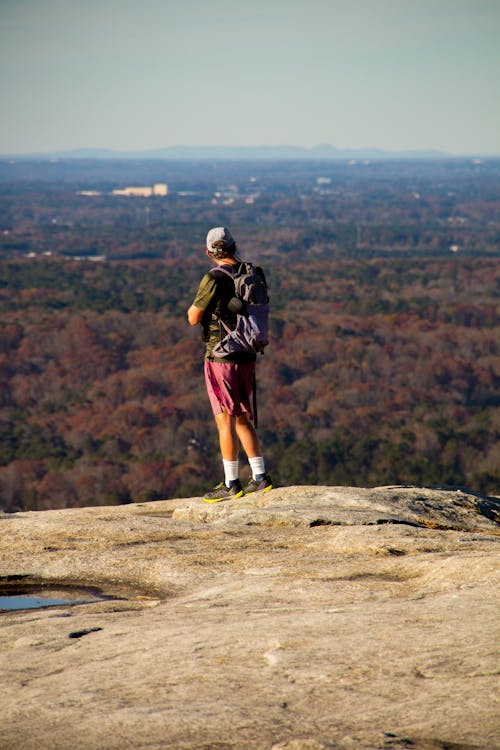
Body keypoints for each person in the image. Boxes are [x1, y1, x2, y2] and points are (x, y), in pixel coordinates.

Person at [187, 226, 272, 503]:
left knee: (225, 419)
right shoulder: (252, 273)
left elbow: (193, 317)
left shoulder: (213, 278)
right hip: (246, 353)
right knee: (241, 416)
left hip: (221, 356)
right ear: (234, 247)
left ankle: (231, 483)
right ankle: (259, 477)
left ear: (208, 252)